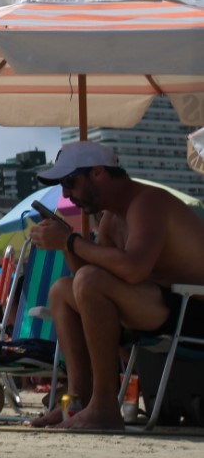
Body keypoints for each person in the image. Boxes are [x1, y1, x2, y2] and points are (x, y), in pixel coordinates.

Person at [28, 140, 204, 430]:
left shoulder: (148, 202)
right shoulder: (111, 219)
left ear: (98, 173)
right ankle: (77, 402)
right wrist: (65, 244)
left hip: (194, 310)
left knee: (86, 281)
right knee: (62, 289)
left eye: (70, 181)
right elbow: (87, 281)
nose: (67, 193)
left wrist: (71, 241)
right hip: (165, 308)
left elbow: (133, 268)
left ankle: (104, 406)